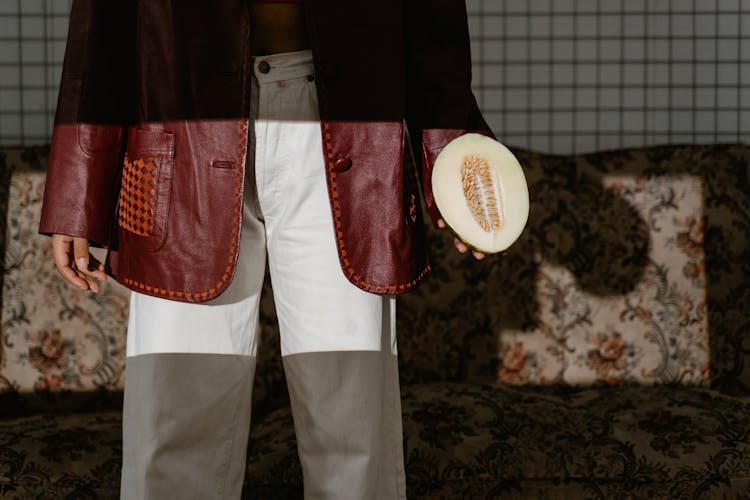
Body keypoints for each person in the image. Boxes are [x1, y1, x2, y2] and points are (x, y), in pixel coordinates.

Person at [38, 0, 493, 498]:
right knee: (173, 415)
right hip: (184, 125)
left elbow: (433, 21)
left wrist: (455, 161)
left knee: (352, 419)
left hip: (349, 125)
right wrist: (76, 188)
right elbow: (101, 25)